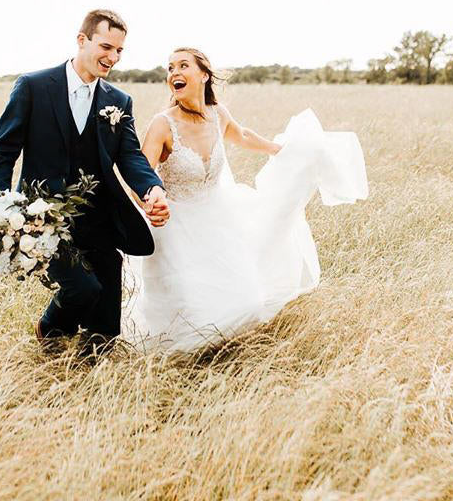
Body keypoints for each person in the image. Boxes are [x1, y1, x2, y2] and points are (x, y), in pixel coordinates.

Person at [122, 48, 368, 353]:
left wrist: (282, 150)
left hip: (218, 221)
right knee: (189, 305)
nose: (174, 73)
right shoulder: (163, 124)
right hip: (175, 229)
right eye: (170, 67)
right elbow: (140, 174)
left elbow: (244, 135)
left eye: (183, 65)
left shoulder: (217, 114)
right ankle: (182, 366)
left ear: (204, 74)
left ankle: (224, 357)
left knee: (246, 299)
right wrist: (149, 201)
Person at [0, 10, 169, 353]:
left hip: (99, 218)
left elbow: (130, 156)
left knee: (106, 321)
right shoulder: (34, 87)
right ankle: (49, 330)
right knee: (83, 290)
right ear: (82, 40)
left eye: (119, 51)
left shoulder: (118, 101)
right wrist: (3, 206)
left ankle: (92, 368)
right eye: (106, 47)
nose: (112, 57)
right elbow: (1, 152)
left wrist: (152, 189)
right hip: (44, 220)